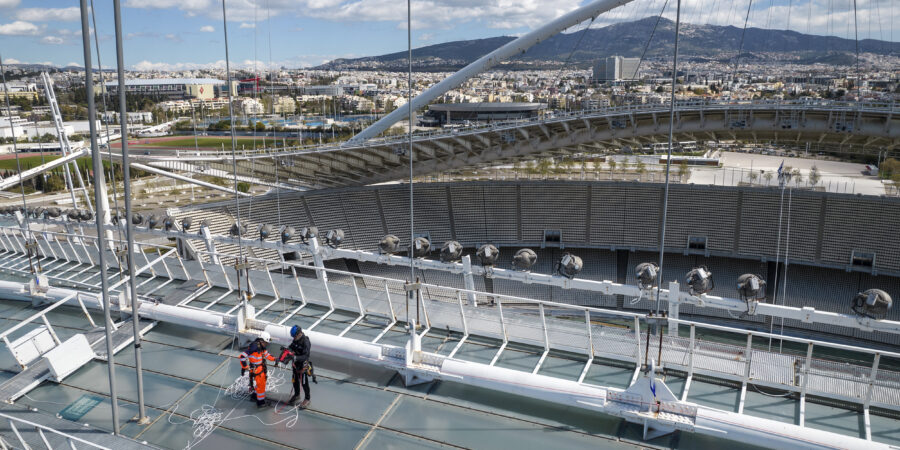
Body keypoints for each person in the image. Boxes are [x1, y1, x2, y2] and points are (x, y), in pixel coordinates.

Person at [239, 332, 276, 408]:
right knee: (261, 386)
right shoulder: (254, 348)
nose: (266, 344)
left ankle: (254, 396)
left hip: (260, 368)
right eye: (266, 343)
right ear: (261, 341)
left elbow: (267, 355)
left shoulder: (261, 347)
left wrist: (276, 359)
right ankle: (261, 402)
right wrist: (245, 367)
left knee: (260, 384)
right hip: (257, 370)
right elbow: (242, 356)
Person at [283, 325, 312, 408]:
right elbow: (292, 347)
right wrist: (286, 349)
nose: (294, 338)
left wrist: (295, 357)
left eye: (294, 336)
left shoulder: (305, 342)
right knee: (295, 380)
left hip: (302, 365)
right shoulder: (296, 340)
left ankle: (307, 398)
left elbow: (306, 356)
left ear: (299, 333)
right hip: (296, 365)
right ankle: (297, 394)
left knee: (304, 382)